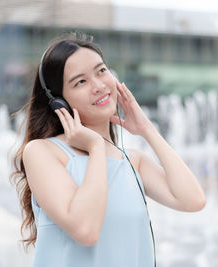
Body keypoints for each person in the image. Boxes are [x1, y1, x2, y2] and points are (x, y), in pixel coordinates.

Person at [11, 33, 206, 267]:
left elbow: (193, 200)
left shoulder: (133, 162)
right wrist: (95, 146)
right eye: (80, 82)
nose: (99, 86)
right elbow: (86, 230)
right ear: (59, 101)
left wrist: (147, 130)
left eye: (101, 71)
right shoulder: (43, 152)